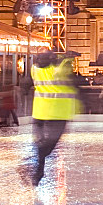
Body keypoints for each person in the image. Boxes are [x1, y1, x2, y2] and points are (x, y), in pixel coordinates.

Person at [21, 52, 79, 186]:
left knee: (40, 143)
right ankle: (33, 168)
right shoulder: (59, 69)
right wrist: (66, 58)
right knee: (48, 145)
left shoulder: (34, 69)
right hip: (57, 113)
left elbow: (26, 83)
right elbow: (73, 82)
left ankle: (37, 171)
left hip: (39, 112)